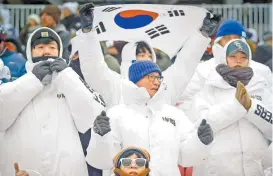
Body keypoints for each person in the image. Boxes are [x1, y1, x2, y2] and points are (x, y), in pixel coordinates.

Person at [0, 27, 105, 176]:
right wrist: (32, 81)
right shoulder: (17, 84)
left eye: (51, 47)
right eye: (40, 48)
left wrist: (66, 76)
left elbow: (92, 116)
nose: (46, 51)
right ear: (30, 52)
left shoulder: (72, 83)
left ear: (60, 51)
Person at [86, 59, 215, 176]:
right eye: (151, 77)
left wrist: (200, 142)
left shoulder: (174, 114)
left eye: (158, 77)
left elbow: (186, 158)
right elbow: (102, 161)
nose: (156, 81)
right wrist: (100, 137)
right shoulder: (116, 115)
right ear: (136, 79)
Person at [76, 3, 221, 109]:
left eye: (148, 54)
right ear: (129, 57)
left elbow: (184, 66)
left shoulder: (163, 89)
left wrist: (201, 36)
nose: (146, 58)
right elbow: (93, 68)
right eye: (140, 54)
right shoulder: (115, 87)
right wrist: (88, 33)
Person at [188, 39, 271, 176]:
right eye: (233, 57)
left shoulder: (261, 88)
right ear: (225, 58)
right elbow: (201, 124)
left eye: (243, 57)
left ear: (249, 59)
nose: (238, 61)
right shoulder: (209, 87)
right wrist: (236, 107)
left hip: (256, 175)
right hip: (219, 173)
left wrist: (252, 107)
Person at [177, 19, 272, 116]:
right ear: (219, 41)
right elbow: (186, 101)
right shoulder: (202, 70)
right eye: (227, 38)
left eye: (236, 38)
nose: (232, 41)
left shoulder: (261, 71)